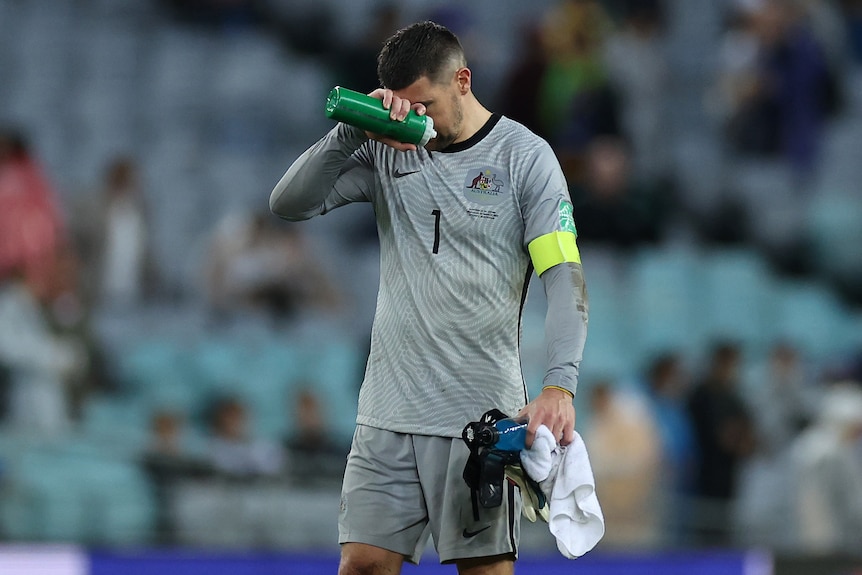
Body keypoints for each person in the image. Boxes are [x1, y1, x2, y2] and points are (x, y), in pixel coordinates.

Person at [269, 21, 589, 575]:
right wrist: (352, 132)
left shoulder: (526, 159)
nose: (418, 120)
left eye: (427, 104)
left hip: (478, 420)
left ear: (462, 80)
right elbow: (288, 204)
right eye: (406, 107)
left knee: (484, 572)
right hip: (387, 414)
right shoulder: (389, 154)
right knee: (363, 564)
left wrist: (560, 383)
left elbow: (563, 276)